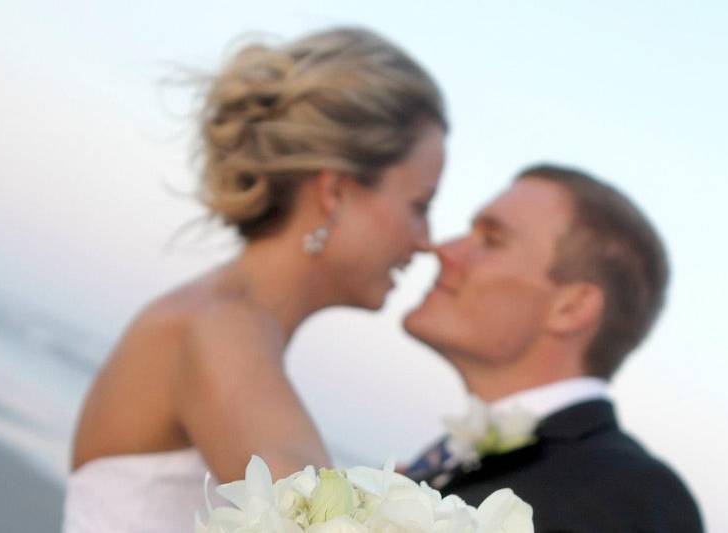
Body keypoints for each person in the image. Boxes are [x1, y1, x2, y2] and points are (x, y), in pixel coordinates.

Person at [63, 27, 447, 533]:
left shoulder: (218, 320)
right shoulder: (222, 328)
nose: (427, 241)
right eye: (418, 206)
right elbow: (309, 519)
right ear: (335, 192)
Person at [403, 164, 703, 532]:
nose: (443, 249)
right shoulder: (461, 459)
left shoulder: (631, 498)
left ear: (571, 307)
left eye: (492, 239)